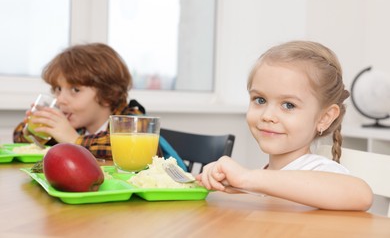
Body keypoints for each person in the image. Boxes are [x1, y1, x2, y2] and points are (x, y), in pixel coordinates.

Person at [196, 40, 373, 211]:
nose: (267, 116)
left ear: (324, 117)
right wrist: (238, 185)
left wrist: (248, 178)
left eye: (289, 105)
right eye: (260, 100)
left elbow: (361, 195)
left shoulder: (317, 169)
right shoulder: (264, 176)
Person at [13, 43, 157, 160]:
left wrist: (74, 140)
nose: (60, 99)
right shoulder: (74, 124)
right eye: (58, 89)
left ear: (108, 94)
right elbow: (18, 136)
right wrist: (33, 132)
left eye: (75, 90)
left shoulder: (132, 120)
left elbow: (126, 147)